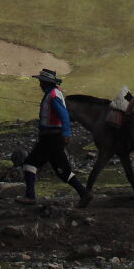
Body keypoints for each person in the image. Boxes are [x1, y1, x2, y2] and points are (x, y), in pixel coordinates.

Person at [19, 68, 92, 208]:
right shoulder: (54, 93)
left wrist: (66, 133)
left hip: (51, 138)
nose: (39, 84)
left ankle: (30, 196)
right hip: (53, 137)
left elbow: (64, 115)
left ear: (45, 83)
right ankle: (84, 193)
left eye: (41, 81)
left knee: (30, 163)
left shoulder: (52, 96)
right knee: (62, 169)